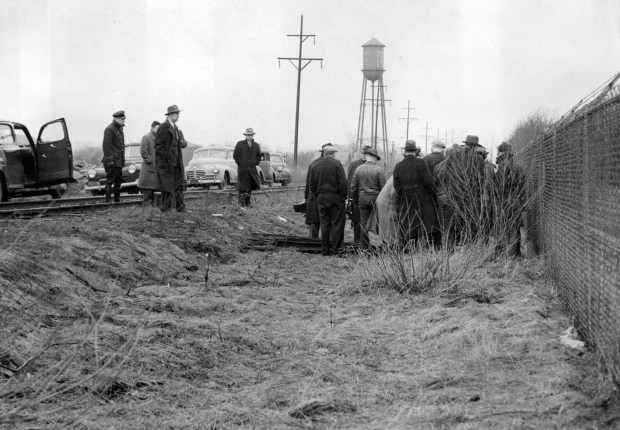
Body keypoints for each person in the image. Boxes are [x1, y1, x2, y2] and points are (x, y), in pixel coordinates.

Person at [392, 140, 438, 247]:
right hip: (421, 195)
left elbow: (396, 185)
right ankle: (426, 245)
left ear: (405, 151)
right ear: (415, 151)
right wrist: (430, 194)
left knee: (407, 220)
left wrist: (403, 193)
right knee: (425, 219)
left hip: (406, 196)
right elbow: (428, 181)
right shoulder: (421, 162)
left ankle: (407, 246)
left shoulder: (398, 165)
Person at [309, 144, 348, 256]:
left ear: (324, 153)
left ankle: (325, 251)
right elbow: (343, 183)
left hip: (321, 197)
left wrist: (318, 195)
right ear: (333, 154)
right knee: (337, 224)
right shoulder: (337, 164)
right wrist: (343, 197)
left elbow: (312, 184)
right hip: (336, 198)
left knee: (324, 225)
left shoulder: (316, 165)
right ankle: (336, 251)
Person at [350, 147, 386, 249]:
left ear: (366, 157)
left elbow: (353, 187)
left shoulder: (358, 169)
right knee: (380, 223)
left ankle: (365, 247)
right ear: (374, 157)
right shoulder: (379, 170)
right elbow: (383, 188)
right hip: (376, 199)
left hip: (362, 198)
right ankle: (383, 244)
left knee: (364, 223)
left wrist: (357, 201)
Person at [494, 141, 525, 256]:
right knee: (516, 227)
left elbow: (498, 186)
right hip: (515, 200)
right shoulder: (519, 168)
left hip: (504, 201)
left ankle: (501, 252)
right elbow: (523, 185)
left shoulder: (502, 167)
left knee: (502, 226)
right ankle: (516, 252)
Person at [154, 105, 187, 212]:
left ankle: (180, 208)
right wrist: (164, 160)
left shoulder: (176, 128)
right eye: (177, 114)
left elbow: (183, 142)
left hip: (176, 162)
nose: (178, 116)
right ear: (171, 115)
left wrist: (182, 142)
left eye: (178, 114)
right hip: (167, 163)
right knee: (167, 187)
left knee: (178, 185)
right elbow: (158, 146)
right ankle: (166, 209)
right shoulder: (163, 127)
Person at [346, 145, 371, 245]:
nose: (365, 155)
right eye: (364, 153)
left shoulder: (373, 165)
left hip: (367, 197)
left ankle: (364, 241)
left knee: (365, 221)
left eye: (367, 153)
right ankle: (357, 241)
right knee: (357, 220)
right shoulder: (354, 164)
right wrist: (350, 196)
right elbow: (350, 181)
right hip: (357, 196)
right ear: (362, 153)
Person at [304, 144, 330, 238]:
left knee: (314, 221)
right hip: (327, 196)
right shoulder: (335, 164)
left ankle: (313, 242)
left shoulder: (313, 164)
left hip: (314, 195)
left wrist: (306, 198)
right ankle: (327, 243)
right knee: (327, 221)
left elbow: (308, 183)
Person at [101, 110, 126, 203]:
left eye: (124, 119)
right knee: (109, 181)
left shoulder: (119, 128)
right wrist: (110, 160)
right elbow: (106, 146)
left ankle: (117, 201)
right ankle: (108, 202)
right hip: (111, 161)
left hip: (118, 161)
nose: (124, 121)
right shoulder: (109, 129)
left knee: (118, 181)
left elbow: (120, 146)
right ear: (116, 119)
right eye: (122, 119)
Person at [233, 128, 261, 207]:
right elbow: (235, 155)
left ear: (253, 135)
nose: (250, 136)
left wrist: (255, 162)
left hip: (252, 170)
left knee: (250, 187)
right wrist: (240, 163)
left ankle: (247, 203)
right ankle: (241, 204)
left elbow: (259, 155)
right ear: (246, 135)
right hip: (243, 170)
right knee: (242, 187)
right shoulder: (240, 144)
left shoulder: (256, 145)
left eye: (251, 135)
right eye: (248, 135)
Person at [138, 121, 161, 213]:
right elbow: (143, 151)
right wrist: (150, 160)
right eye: (157, 128)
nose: (158, 130)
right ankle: (147, 208)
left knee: (153, 187)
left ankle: (152, 208)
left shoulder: (158, 138)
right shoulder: (146, 137)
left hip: (155, 168)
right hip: (148, 168)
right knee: (147, 187)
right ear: (152, 127)